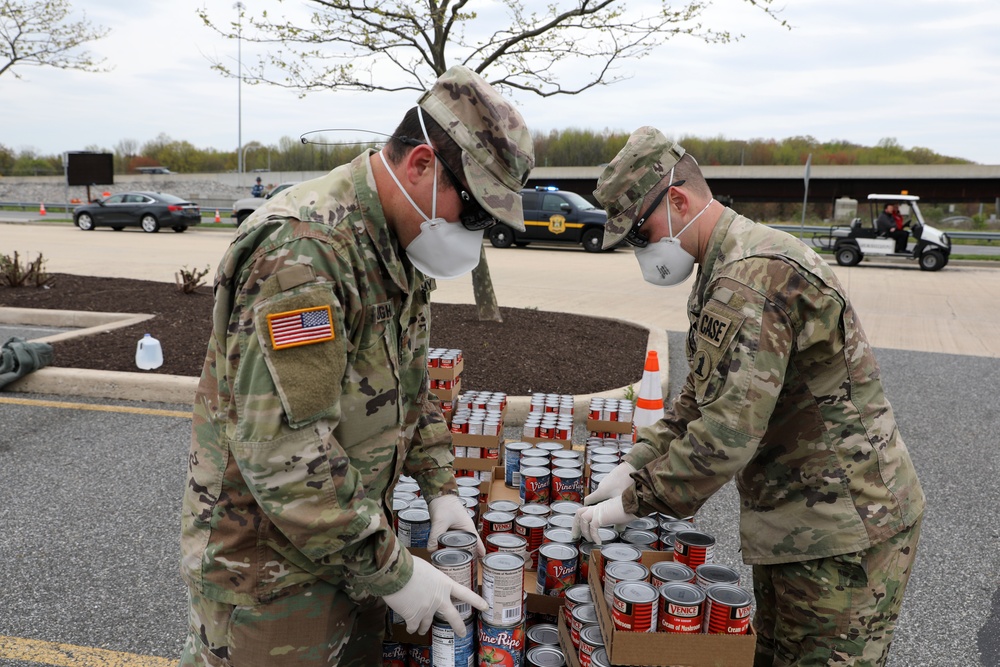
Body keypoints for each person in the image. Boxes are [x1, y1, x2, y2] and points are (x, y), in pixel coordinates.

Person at [180, 65, 535, 667]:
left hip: (352, 548)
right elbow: (284, 456)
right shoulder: (303, 253)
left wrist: (440, 485)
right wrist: (395, 572)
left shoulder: (400, 243)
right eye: (473, 212)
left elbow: (410, 385)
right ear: (421, 163)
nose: (475, 234)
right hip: (271, 576)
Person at [573, 127, 924, 667]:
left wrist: (634, 503)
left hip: (842, 528)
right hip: (796, 520)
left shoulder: (750, 279)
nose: (639, 252)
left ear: (678, 199)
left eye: (641, 235)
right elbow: (698, 399)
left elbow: (726, 434)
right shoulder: (723, 268)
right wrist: (633, 464)